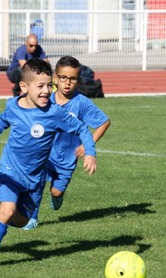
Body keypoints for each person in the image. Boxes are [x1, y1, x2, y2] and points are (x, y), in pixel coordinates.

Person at [0, 59, 96, 271]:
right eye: (40, 86)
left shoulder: (54, 113)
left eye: (49, 85)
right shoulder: (13, 107)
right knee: (7, 209)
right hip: (10, 171)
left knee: (22, 221)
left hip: (35, 179)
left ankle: (2, 225)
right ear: (24, 87)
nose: (46, 91)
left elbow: (82, 129)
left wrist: (90, 153)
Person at [27, 55, 110, 227]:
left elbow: (104, 122)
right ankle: (32, 217)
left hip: (66, 158)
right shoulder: (45, 98)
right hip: (44, 154)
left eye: (72, 79)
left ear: (78, 80)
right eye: (63, 78)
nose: (67, 83)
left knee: (56, 191)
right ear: (55, 78)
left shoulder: (81, 103)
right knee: (36, 183)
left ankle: (57, 196)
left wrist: (87, 145)